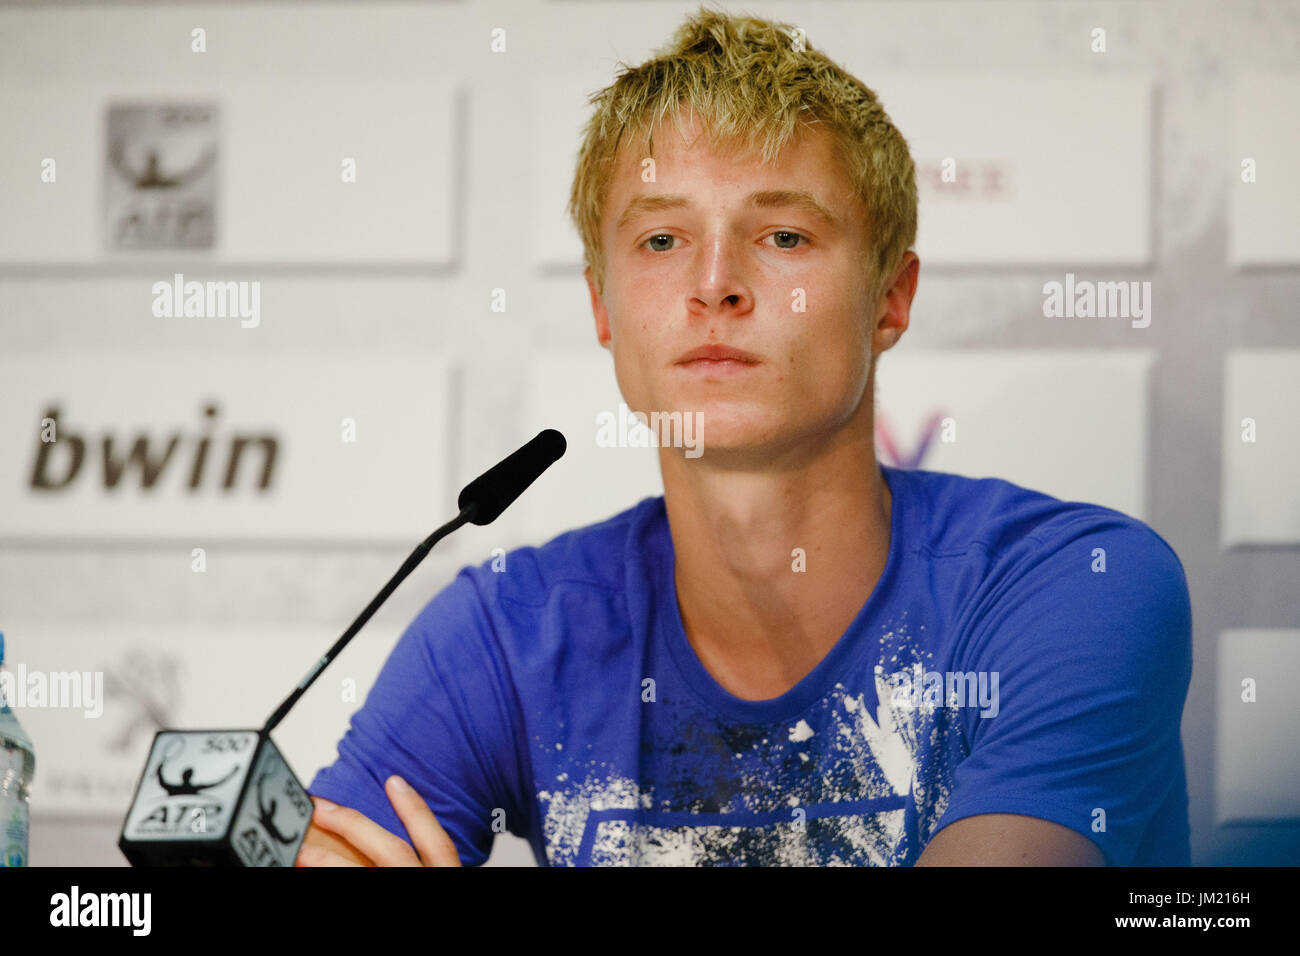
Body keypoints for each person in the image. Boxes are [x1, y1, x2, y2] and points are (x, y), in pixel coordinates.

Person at [297, 5, 1192, 867]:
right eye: (660, 240)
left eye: (784, 234)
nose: (715, 283)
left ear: (892, 296)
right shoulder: (507, 634)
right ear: (602, 306)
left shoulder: (1076, 588)